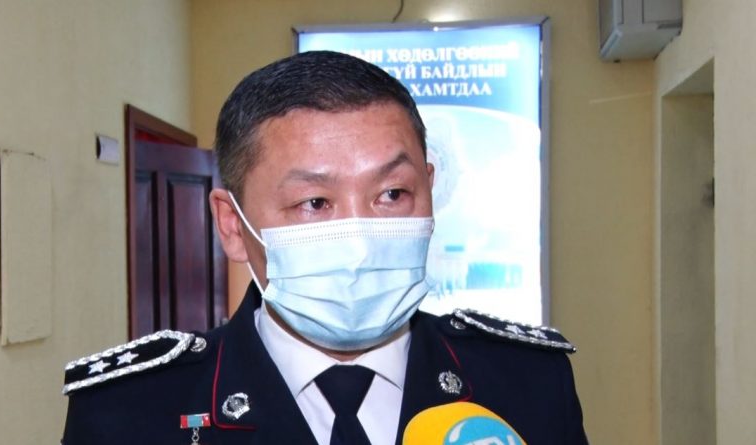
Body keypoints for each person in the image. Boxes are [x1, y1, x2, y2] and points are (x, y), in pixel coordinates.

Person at [61, 50, 588, 445]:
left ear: (430, 191)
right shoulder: (126, 413)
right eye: (314, 202)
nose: (360, 243)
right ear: (232, 225)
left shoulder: (528, 383)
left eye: (392, 194)